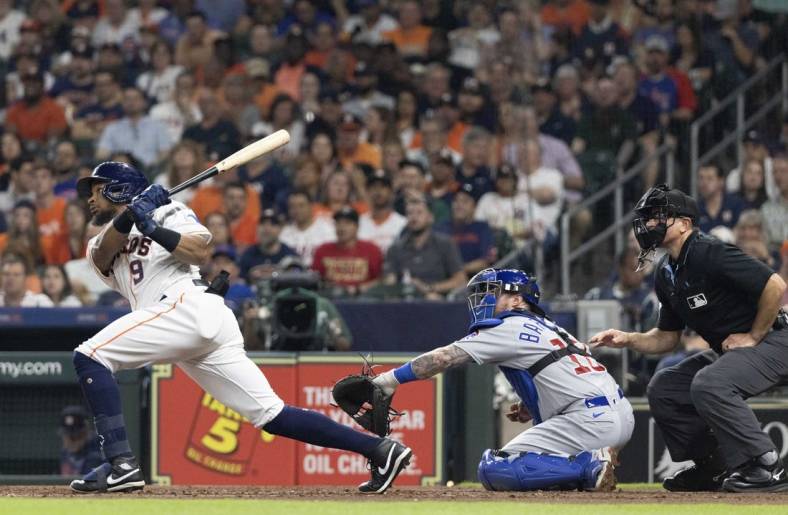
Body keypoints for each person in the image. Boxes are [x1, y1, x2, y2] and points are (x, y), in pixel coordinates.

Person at [68, 161, 411, 494]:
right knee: (271, 415)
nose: (90, 199)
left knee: (89, 357)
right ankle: (380, 451)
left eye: (97, 190)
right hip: (180, 321)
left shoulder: (169, 210)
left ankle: (121, 465)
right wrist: (131, 215)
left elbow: (199, 251)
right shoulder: (100, 240)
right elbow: (102, 255)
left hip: (187, 305)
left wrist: (154, 225)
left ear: (118, 189)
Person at [590, 184, 788, 493]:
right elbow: (667, 339)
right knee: (665, 387)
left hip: (776, 340)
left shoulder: (709, 251)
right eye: (649, 218)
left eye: (659, 217)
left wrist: (754, 335)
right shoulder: (666, 272)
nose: (650, 224)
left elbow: (775, 285)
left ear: (685, 223)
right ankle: (714, 467)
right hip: (736, 351)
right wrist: (628, 338)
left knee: (710, 382)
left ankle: (765, 466)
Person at [372, 267, 632, 491]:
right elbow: (563, 372)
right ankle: (593, 463)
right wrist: (532, 404)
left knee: (493, 468)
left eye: (494, 293)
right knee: (539, 468)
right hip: (618, 412)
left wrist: (385, 382)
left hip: (588, 421)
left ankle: (591, 466)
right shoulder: (550, 326)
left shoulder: (508, 325)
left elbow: (442, 359)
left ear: (517, 300)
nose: (484, 299)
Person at [59, 405, 103, 476]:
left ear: (86, 429)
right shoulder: (65, 452)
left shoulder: (98, 450)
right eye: (68, 435)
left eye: (75, 436)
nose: (71, 440)